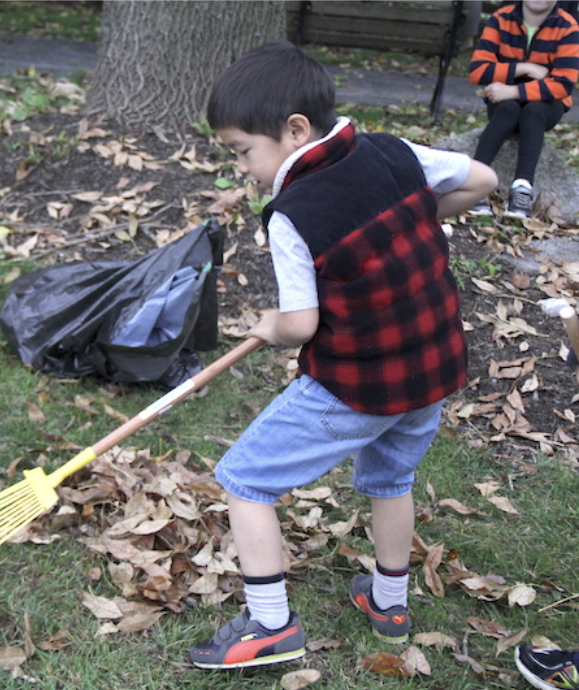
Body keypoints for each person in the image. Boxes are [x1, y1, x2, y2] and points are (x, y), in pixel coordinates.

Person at [187, 41, 498, 670]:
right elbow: (483, 181)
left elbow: (302, 324)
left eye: (243, 151)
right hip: (431, 372)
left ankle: (269, 626)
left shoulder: (292, 213)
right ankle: (389, 604)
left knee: (245, 480)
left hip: (360, 384)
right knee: (390, 479)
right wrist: (418, 215)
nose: (243, 168)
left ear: (295, 130)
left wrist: (271, 326)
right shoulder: (390, 149)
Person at [468, 1, 579, 220]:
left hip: (546, 103)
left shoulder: (568, 27)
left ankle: (522, 188)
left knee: (533, 111)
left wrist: (514, 91)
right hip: (503, 100)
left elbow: (563, 84)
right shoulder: (501, 19)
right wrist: (523, 68)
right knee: (508, 109)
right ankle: (472, 180)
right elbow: (478, 71)